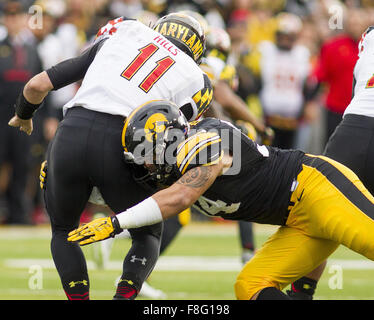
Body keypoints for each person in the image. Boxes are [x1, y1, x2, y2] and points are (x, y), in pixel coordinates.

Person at [69, 99, 374, 300]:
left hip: (317, 189)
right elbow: (126, 186)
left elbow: (181, 197)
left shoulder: (207, 139)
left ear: (170, 139)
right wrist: (71, 180)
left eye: (147, 154)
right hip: (296, 223)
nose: (145, 164)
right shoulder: (168, 165)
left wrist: (115, 224)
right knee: (250, 287)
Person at [9, 13, 212, 300]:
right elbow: (170, 139)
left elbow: (36, 86)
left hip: (70, 135)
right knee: (148, 234)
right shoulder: (197, 79)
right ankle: (123, 295)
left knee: (64, 230)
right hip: (124, 144)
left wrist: (23, 115)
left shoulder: (126, 33)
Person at [288, 25, 374, 300]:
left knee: (318, 214)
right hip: (356, 120)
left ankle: (301, 294)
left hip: (353, 126)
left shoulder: (368, 35)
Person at [0, 1, 43, 224]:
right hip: (1, 116)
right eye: (9, 17)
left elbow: (42, 83)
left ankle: (19, 211)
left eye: (17, 17)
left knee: (23, 164)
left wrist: (47, 117)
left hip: (26, 117)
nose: (13, 21)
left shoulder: (32, 49)